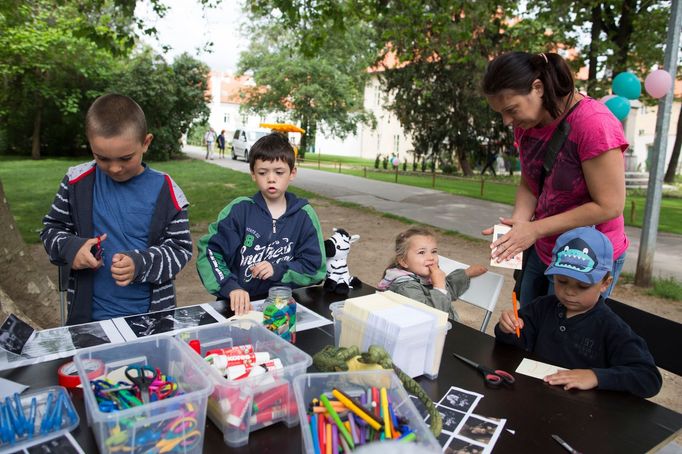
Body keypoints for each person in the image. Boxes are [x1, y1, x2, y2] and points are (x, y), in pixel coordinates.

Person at [482, 52, 629, 307]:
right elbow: (530, 181)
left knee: (561, 342)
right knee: (526, 328)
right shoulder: (526, 122)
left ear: (537, 88)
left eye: (511, 110)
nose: (507, 121)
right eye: (501, 113)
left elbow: (610, 206)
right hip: (544, 246)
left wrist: (534, 229)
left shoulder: (594, 125)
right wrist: (519, 225)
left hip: (585, 258)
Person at [40, 94, 193, 325]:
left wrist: (140, 264)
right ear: (90, 144)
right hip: (88, 323)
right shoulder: (76, 182)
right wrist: (73, 249)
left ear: (146, 143)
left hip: (151, 322)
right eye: (102, 158)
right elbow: (51, 230)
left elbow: (180, 249)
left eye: (125, 158)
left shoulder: (167, 191)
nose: (115, 168)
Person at [495, 227, 662, 398]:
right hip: (533, 396)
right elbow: (518, 344)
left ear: (605, 283)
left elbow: (649, 378)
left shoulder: (611, 327)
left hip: (582, 413)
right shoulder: (542, 306)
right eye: (561, 281)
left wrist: (596, 376)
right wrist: (507, 328)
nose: (569, 292)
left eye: (582, 286)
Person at [196, 132, 327, 315]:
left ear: (292, 173)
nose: (271, 179)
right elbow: (210, 253)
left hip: (284, 308)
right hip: (239, 307)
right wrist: (230, 286)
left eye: (279, 172)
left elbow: (315, 268)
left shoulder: (304, 216)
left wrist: (279, 270)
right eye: (263, 172)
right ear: (253, 174)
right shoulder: (239, 211)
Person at [377, 227, 487, 321]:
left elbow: (448, 290)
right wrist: (439, 286)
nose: (430, 257)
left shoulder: (425, 277)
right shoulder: (405, 286)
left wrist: (466, 274)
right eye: (421, 252)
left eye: (433, 251)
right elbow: (430, 316)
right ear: (403, 261)